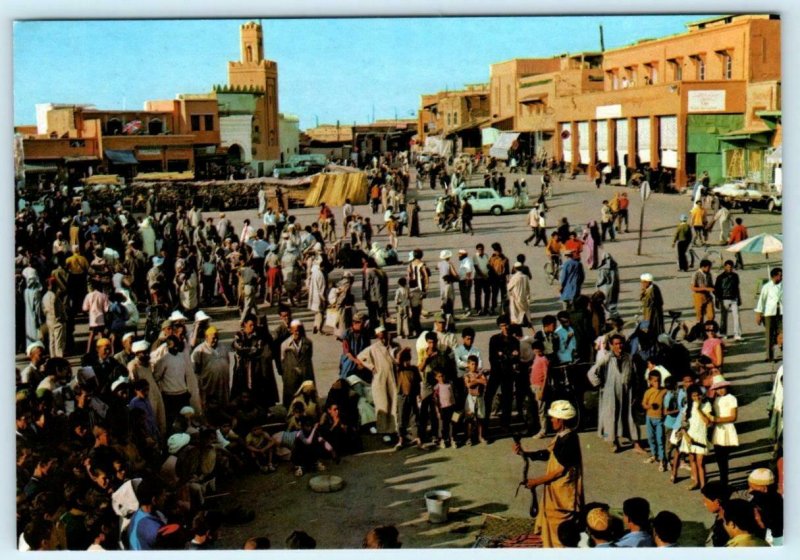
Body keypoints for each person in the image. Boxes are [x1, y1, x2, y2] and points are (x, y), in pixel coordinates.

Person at [514, 400, 584, 548]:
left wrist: (536, 482)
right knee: (551, 522)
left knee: (559, 527)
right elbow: (547, 454)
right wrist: (524, 453)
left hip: (563, 495)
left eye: (553, 418)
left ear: (561, 420)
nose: (551, 420)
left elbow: (559, 471)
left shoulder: (570, 439)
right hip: (554, 490)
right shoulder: (560, 436)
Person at [597, 334, 644, 454]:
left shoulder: (629, 358)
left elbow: (635, 376)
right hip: (611, 393)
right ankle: (613, 442)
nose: (619, 346)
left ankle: (636, 443)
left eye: (621, 343)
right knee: (611, 417)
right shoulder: (607, 358)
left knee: (630, 416)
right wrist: (600, 384)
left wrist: (636, 393)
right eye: (616, 344)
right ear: (611, 345)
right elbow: (593, 372)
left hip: (627, 392)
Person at [680, 384, 713, 490]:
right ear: (690, 396)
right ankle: (695, 481)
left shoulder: (706, 405)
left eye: (698, 395)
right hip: (690, 436)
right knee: (692, 460)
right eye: (694, 396)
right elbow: (683, 424)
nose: (697, 398)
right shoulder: (687, 407)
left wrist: (699, 409)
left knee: (700, 463)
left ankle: (704, 486)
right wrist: (686, 436)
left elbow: (708, 422)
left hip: (701, 436)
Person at [709, 379, 738, 487]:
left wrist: (716, 420)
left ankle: (724, 481)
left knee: (723, 458)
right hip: (718, 430)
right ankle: (723, 479)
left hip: (727, 429)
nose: (720, 391)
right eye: (717, 389)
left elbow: (733, 417)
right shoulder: (716, 399)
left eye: (722, 388)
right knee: (718, 457)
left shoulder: (732, 399)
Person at [280, 320, 315, 407]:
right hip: (291, 374)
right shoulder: (285, 344)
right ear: (291, 330)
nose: (297, 332)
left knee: (307, 395)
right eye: (295, 330)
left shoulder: (308, 343)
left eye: (299, 330)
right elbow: (283, 359)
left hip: (305, 373)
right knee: (291, 396)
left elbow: (309, 356)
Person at [754, 267, 782, 362]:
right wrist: (758, 314)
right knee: (769, 334)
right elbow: (761, 301)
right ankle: (769, 356)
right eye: (779, 275)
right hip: (769, 313)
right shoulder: (766, 287)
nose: (781, 277)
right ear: (774, 276)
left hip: (781, 312)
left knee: (782, 333)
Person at [642, 370, 667, 470]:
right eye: (655, 381)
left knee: (660, 439)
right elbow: (643, 404)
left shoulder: (664, 391)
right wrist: (649, 406)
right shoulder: (648, 392)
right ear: (650, 381)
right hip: (649, 417)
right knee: (650, 437)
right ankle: (654, 455)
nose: (657, 383)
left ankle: (662, 460)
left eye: (659, 381)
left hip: (660, 418)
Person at [714, 260, 742, 340]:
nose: (729, 268)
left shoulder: (735, 276)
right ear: (725, 267)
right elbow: (717, 290)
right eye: (728, 267)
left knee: (736, 316)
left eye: (731, 267)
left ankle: (737, 333)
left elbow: (737, 288)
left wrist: (739, 298)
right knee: (723, 317)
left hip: (734, 298)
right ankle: (723, 333)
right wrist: (717, 300)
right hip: (724, 299)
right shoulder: (720, 277)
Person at [463, 355, 487, 445]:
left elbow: (485, 382)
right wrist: (477, 380)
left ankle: (480, 436)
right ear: (468, 365)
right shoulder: (467, 375)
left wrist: (475, 380)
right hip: (471, 399)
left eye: (476, 364)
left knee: (480, 418)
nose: (474, 366)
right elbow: (468, 385)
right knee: (469, 419)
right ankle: (468, 438)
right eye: (472, 364)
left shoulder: (480, 374)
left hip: (480, 398)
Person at [701, 480, 732, 547]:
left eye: (705, 501)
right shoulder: (722, 515)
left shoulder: (723, 526)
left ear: (717, 502)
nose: (704, 504)